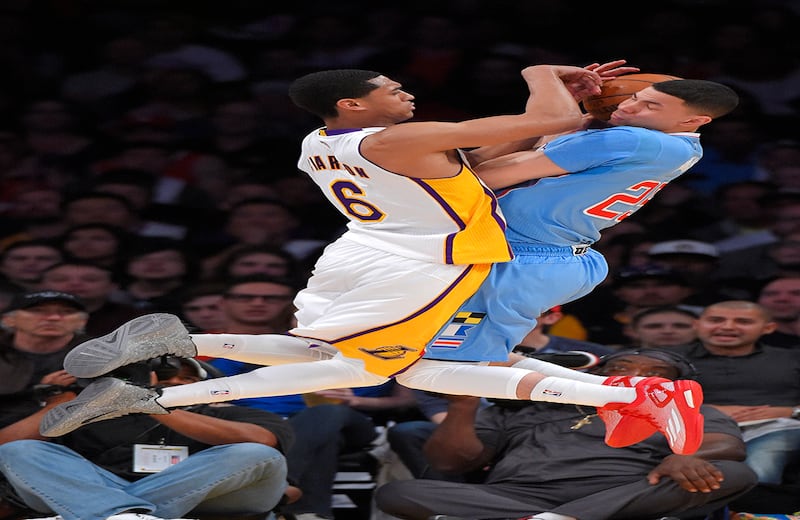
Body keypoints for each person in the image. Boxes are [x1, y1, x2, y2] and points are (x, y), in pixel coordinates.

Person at [42, 65, 707, 454]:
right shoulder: (406, 138)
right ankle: (160, 379)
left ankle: (626, 396)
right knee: (376, 367)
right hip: (430, 262)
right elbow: (544, 126)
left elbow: (475, 163)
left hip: (360, 251)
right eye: (390, 87)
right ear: (354, 103)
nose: (405, 93)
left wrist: (553, 125)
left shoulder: (318, 142)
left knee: (381, 364)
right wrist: (551, 77)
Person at [374, 349, 758, 520]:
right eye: (623, 368)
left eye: (654, 373)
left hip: (622, 492)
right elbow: (448, 462)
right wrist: (463, 405)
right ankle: (553, 517)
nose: (637, 377)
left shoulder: (688, 409)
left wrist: (686, 456)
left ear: (677, 384)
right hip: (514, 495)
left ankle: (560, 519)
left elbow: (728, 446)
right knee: (398, 493)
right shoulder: (530, 405)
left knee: (735, 474)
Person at [0, 356, 296, 520]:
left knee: (258, 456)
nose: (174, 383)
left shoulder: (226, 412)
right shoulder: (88, 412)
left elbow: (261, 441)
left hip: (215, 501)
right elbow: (7, 447)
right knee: (22, 450)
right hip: (106, 489)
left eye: (187, 379)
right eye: (164, 377)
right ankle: (123, 516)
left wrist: (150, 403)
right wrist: (63, 404)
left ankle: (105, 512)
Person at [669, 301, 800, 514]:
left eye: (743, 321)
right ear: (697, 324)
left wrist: (790, 411)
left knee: (764, 455)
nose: (728, 327)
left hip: (778, 425)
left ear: (768, 328)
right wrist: (704, 410)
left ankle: (753, 514)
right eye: (716, 320)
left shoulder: (793, 358)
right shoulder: (667, 359)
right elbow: (640, 395)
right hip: (693, 427)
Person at [0, 290, 88, 428]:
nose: (53, 317)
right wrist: (42, 392)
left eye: (66, 311)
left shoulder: (97, 358)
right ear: (8, 319)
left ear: (82, 322)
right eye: (37, 310)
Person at [622, 305, 699, 349]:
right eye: (654, 326)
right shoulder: (614, 360)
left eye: (681, 326)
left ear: (700, 330)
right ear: (631, 331)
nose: (668, 331)